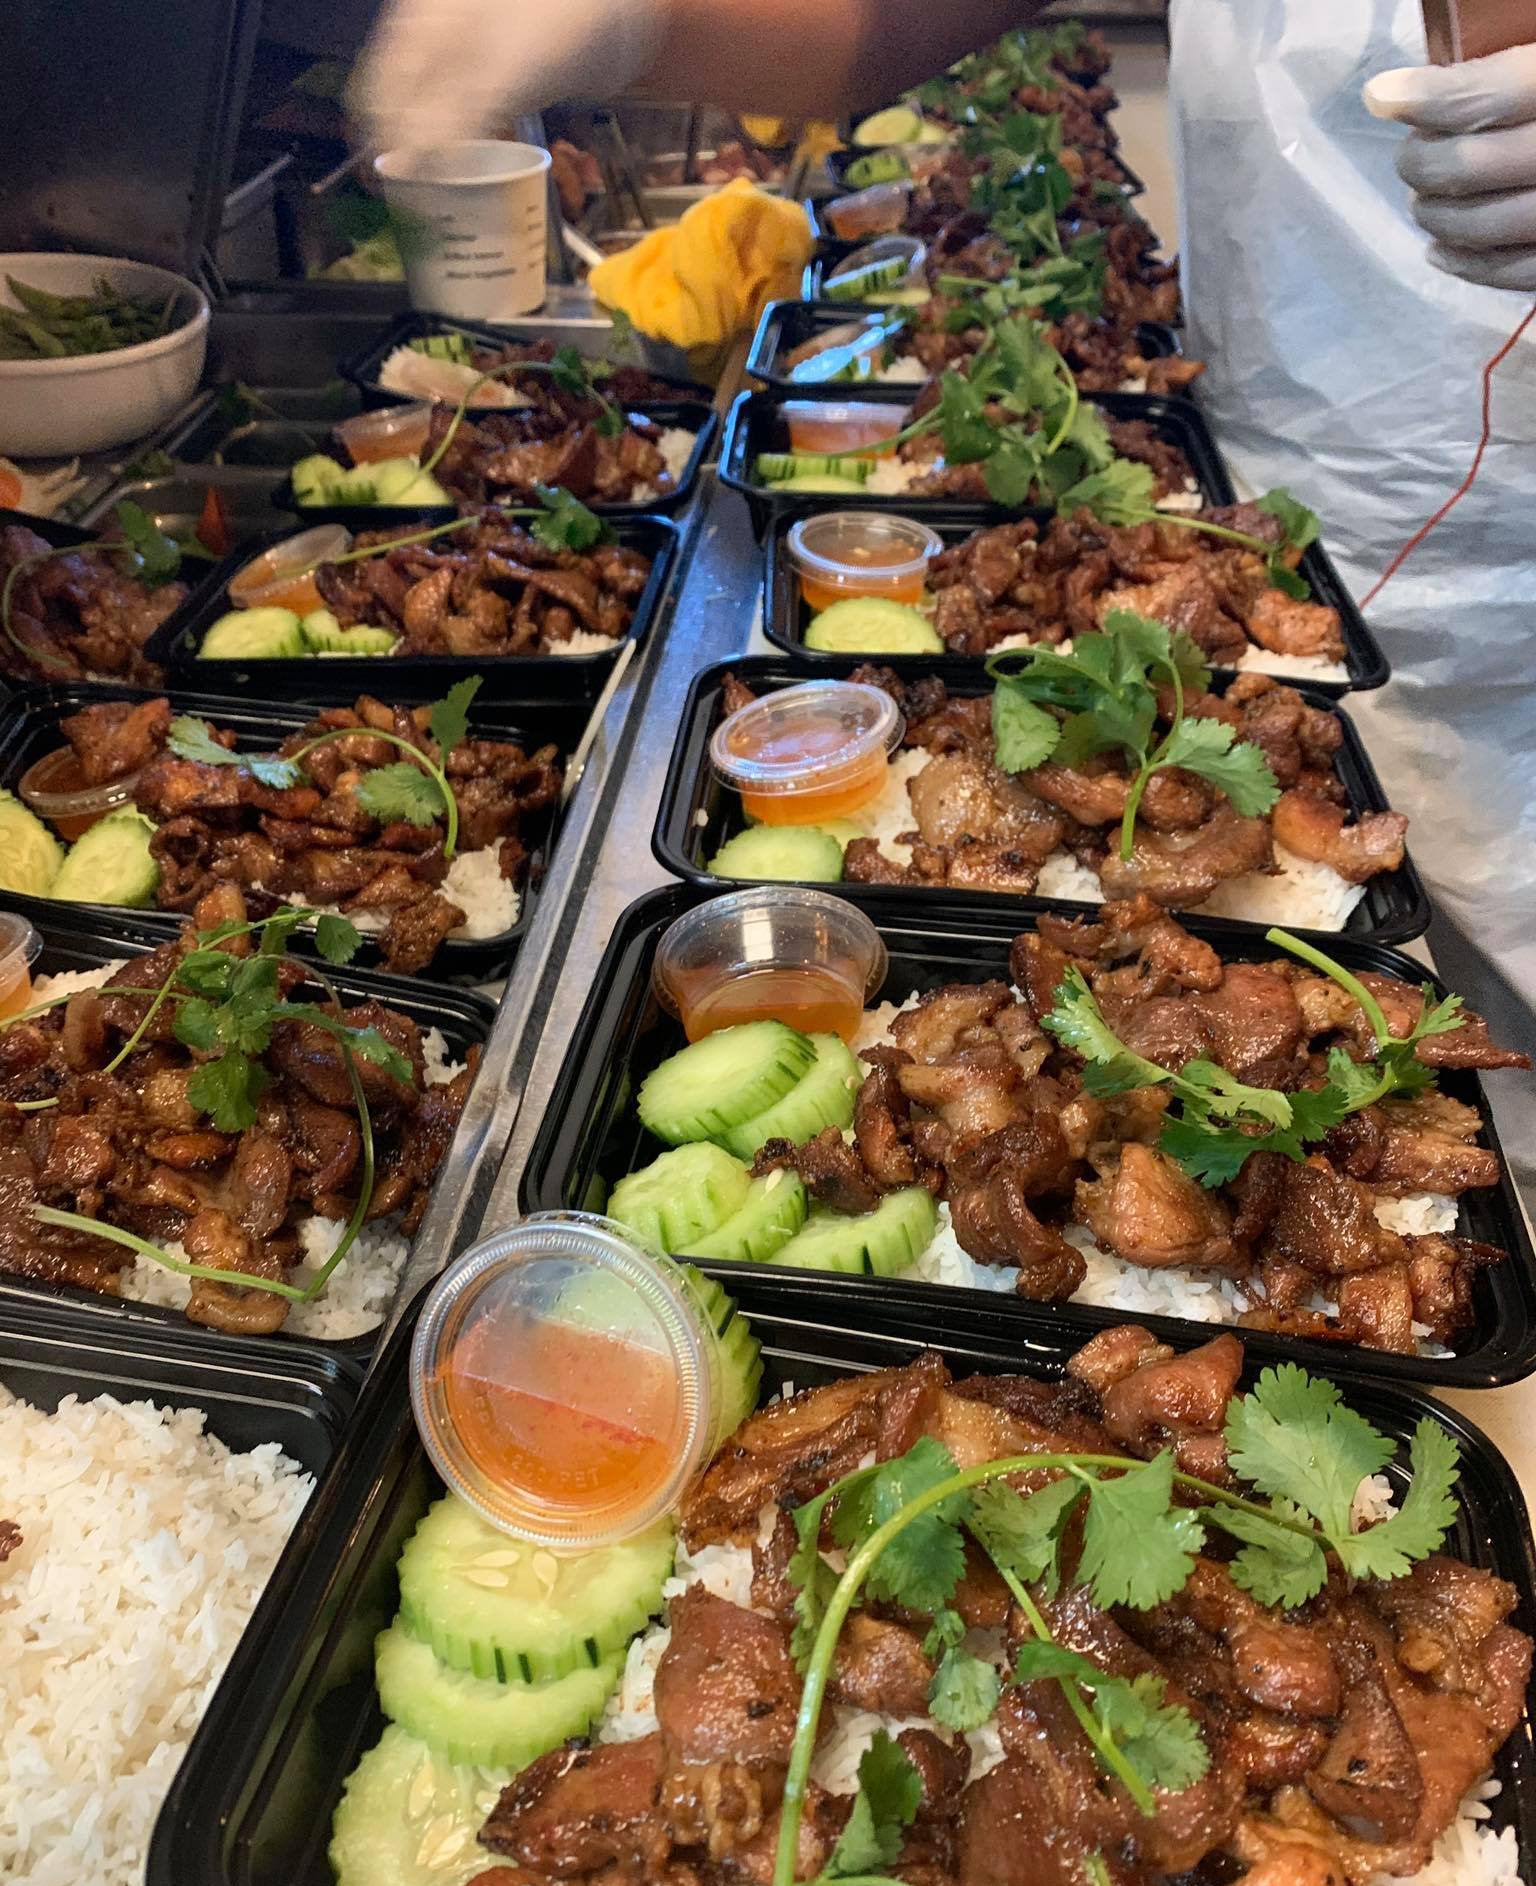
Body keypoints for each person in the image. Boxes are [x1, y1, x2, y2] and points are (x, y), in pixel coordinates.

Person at [354, 1, 1536, 1196]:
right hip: (1263, 443)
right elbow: (887, 24)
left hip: (1507, 548)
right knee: (1452, 1097)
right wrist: (637, 17)